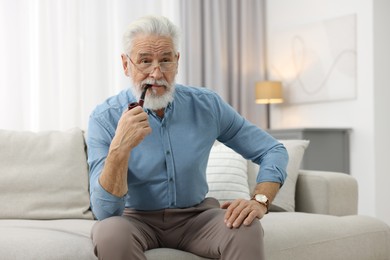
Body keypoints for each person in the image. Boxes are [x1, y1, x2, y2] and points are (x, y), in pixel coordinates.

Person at [87, 15, 288, 260]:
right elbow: (105, 211)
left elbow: (272, 150)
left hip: (197, 219)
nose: (156, 73)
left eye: (165, 60)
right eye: (145, 61)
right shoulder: (104, 118)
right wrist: (119, 148)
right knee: (109, 233)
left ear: (177, 62)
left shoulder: (207, 105)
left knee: (246, 228)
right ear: (126, 65)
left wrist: (260, 200)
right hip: (133, 219)